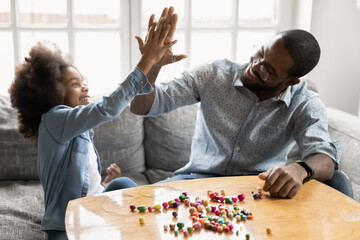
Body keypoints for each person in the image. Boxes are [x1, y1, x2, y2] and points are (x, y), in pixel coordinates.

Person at [8, 11, 176, 240]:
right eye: (75, 84)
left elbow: (83, 182)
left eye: (83, 82)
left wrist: (105, 183)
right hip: (65, 224)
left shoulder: (76, 128)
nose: (85, 88)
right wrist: (145, 62)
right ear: (50, 93)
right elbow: (107, 108)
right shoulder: (54, 119)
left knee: (123, 183)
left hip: (90, 211)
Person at [131, 28, 354, 199]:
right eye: (260, 53)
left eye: (269, 70)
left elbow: (325, 157)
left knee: (338, 181)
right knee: (124, 189)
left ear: (291, 81)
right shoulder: (213, 75)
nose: (256, 66)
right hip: (196, 183)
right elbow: (141, 107)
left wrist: (299, 169)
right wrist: (151, 65)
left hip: (258, 189)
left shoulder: (304, 102)